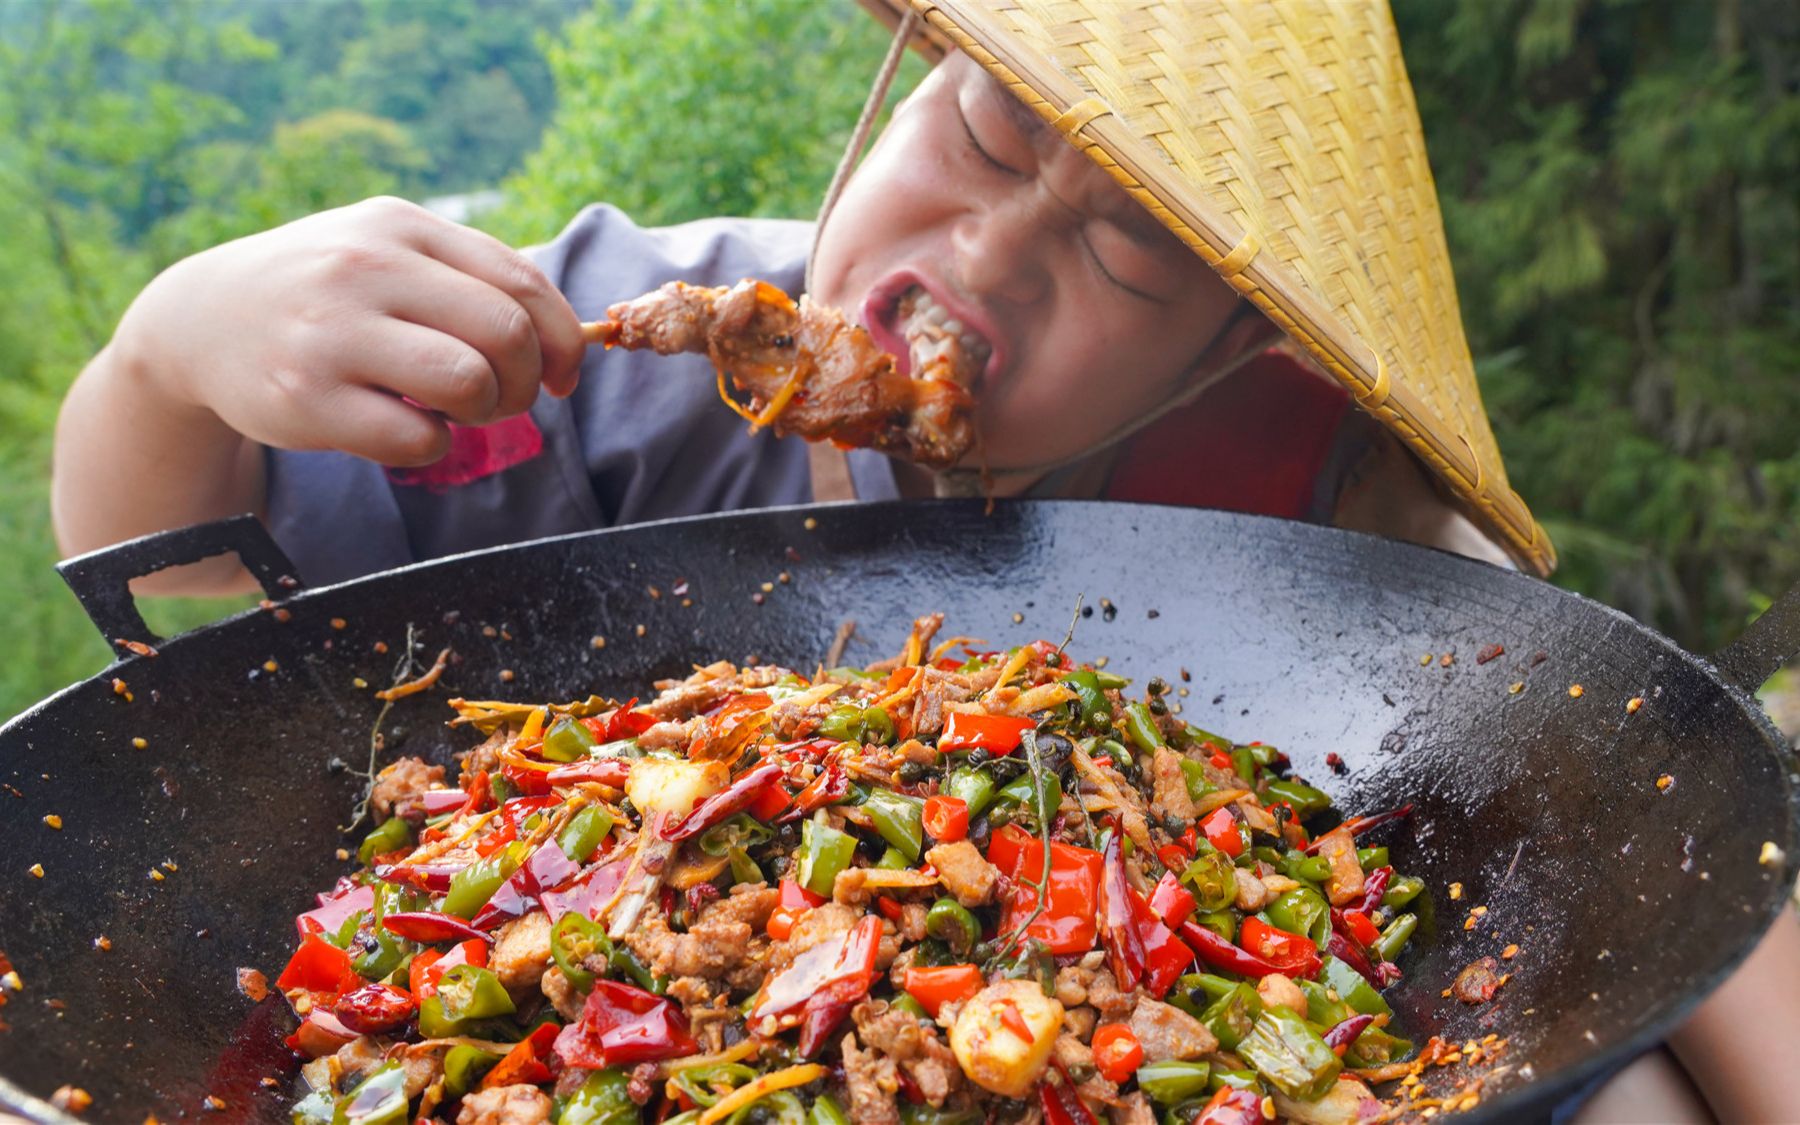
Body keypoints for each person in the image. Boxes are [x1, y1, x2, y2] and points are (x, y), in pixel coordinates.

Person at [49, 2, 1798, 1120]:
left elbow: (1625, 789)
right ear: (893, 86)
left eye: (1127, 254)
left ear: (1224, 355)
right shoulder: (596, 346)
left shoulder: (1305, 514)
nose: (994, 251)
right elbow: (185, 592)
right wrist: (161, 352)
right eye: (975, 134)